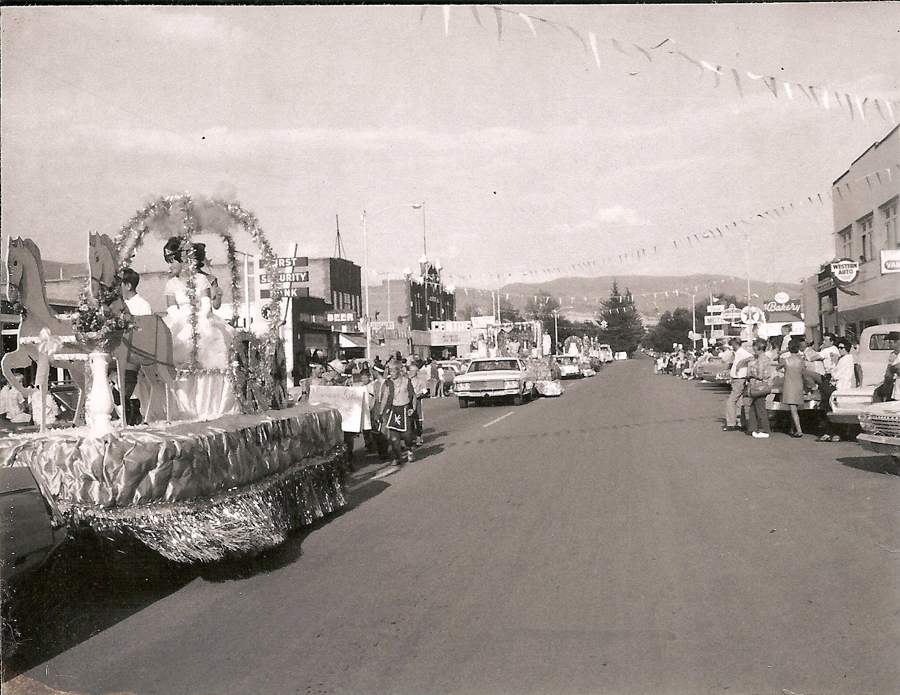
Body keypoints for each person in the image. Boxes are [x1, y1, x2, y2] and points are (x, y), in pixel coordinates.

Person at [162, 237, 237, 420]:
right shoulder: (171, 284)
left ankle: (208, 403)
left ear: (183, 259)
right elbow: (171, 308)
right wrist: (181, 320)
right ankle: (180, 404)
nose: (170, 266)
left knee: (208, 345)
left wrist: (197, 320)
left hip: (200, 318)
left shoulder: (202, 280)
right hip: (179, 320)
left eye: (172, 261)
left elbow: (206, 305)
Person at [377, 362, 417, 467]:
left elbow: (413, 396)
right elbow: (385, 398)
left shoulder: (406, 381)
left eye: (394, 371)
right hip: (393, 410)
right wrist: (381, 413)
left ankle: (409, 449)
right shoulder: (388, 383)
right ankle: (397, 457)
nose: (392, 373)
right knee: (394, 437)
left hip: (405, 409)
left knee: (407, 435)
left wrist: (413, 408)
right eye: (390, 371)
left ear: (398, 371)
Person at [743, 338, 773, 439]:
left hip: (759, 385)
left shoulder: (760, 359)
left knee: (760, 408)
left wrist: (751, 375)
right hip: (763, 385)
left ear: (757, 347)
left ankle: (765, 429)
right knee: (754, 407)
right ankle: (753, 428)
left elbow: (760, 375)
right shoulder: (765, 358)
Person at [778, 338, 806, 438]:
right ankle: (793, 428)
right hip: (799, 384)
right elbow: (804, 372)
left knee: (793, 409)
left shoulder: (786, 360)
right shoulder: (801, 361)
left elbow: (777, 367)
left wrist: (784, 371)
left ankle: (799, 430)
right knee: (796, 409)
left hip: (789, 384)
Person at [723, 338, 751, 432]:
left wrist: (742, 362)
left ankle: (731, 423)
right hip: (737, 379)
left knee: (730, 402)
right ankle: (741, 422)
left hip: (739, 379)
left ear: (735, 344)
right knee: (739, 402)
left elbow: (752, 357)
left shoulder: (741, 352)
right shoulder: (737, 353)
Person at [408, 363, 428, 447]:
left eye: (413, 371)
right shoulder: (407, 381)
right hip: (409, 402)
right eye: (410, 370)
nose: (411, 372)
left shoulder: (420, 381)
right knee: (410, 420)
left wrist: (420, 394)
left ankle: (419, 436)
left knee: (418, 420)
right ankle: (412, 437)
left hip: (418, 402)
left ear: (416, 372)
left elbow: (425, 391)